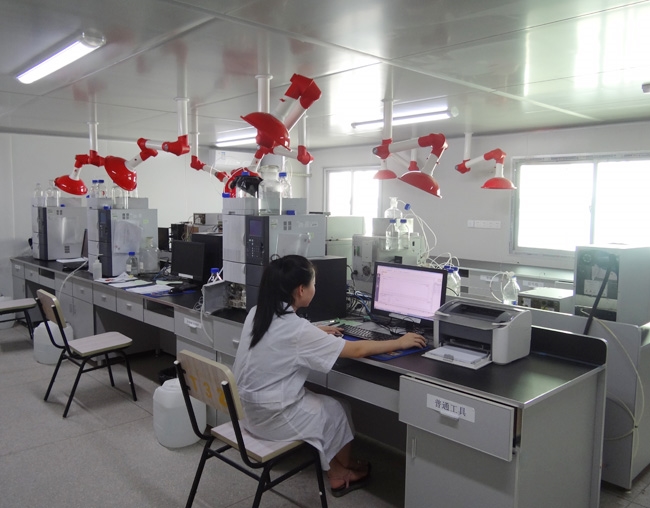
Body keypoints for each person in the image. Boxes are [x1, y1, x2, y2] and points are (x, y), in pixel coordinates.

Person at [233, 255, 426, 497]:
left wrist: (314, 331)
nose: (315, 288)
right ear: (301, 290)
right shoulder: (296, 330)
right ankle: (339, 475)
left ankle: (342, 465)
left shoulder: (257, 312)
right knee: (338, 409)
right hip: (270, 420)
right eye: (313, 284)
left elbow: (284, 337)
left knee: (327, 402)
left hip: (247, 411)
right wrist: (399, 342)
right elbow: (355, 350)